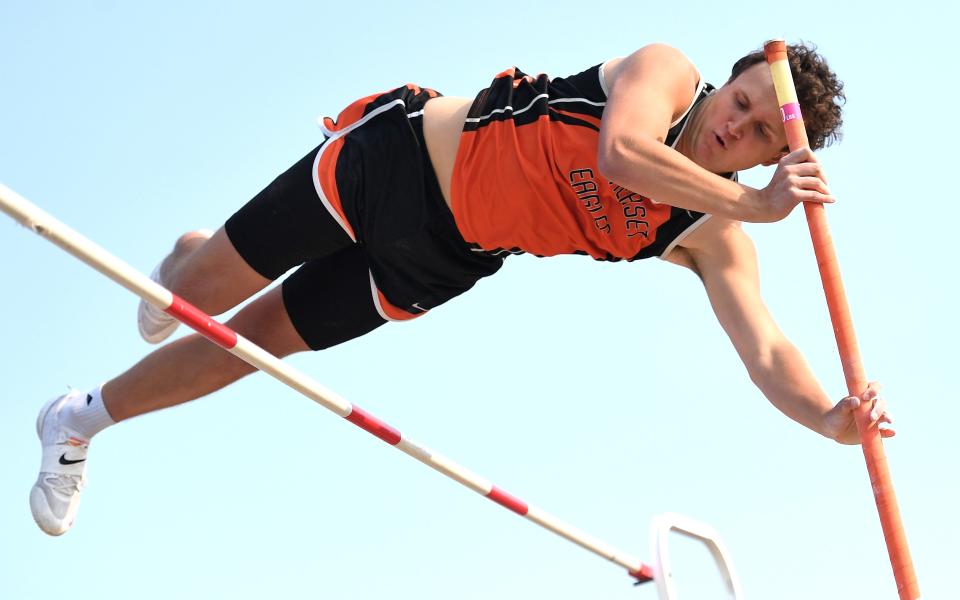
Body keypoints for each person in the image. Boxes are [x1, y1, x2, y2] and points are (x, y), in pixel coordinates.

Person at [30, 42, 894, 536]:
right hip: (398, 165)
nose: (731, 126)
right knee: (198, 289)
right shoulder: (667, 76)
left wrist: (827, 418)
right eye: (739, 101)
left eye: (750, 137)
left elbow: (768, 348)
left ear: (770, 157)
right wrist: (757, 200)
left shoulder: (715, 234)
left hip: (444, 258)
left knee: (250, 345)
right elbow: (621, 156)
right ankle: (185, 262)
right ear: (727, 80)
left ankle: (78, 421)